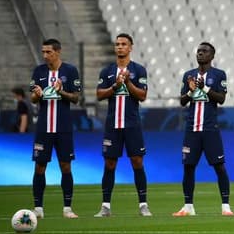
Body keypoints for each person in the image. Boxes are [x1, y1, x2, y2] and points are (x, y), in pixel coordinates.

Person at [172, 42, 233, 217]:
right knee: (188, 167)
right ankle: (188, 207)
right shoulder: (188, 75)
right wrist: (191, 91)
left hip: (210, 128)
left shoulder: (219, 74)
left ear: (212, 56)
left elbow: (221, 99)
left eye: (204, 51)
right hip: (192, 128)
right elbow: (182, 101)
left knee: (219, 166)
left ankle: (226, 207)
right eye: (198, 51)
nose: (200, 53)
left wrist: (203, 88)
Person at [94, 33, 151, 217]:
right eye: (117, 44)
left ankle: (143, 205)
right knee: (109, 163)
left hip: (132, 123)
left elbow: (142, 95)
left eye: (123, 44)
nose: (119, 47)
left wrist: (127, 82)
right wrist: (114, 87)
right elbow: (99, 95)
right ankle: (105, 207)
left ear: (130, 47)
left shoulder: (139, 70)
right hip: (112, 124)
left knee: (137, 162)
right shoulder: (107, 71)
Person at [29, 38, 82, 219]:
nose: (45, 55)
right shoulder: (39, 71)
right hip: (44, 127)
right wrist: (37, 95)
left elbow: (76, 98)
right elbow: (32, 99)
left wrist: (60, 92)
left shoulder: (70, 71)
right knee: (40, 167)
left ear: (58, 52)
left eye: (48, 52)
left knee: (65, 166)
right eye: (43, 52)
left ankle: (67, 208)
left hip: (63, 127)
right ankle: (38, 208)